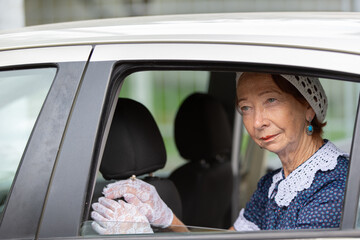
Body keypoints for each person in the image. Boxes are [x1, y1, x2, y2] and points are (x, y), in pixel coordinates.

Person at [91, 72, 349, 233]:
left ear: (308, 106)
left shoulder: (335, 186)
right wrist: (167, 217)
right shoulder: (272, 184)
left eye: (271, 100)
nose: (257, 121)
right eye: (246, 107)